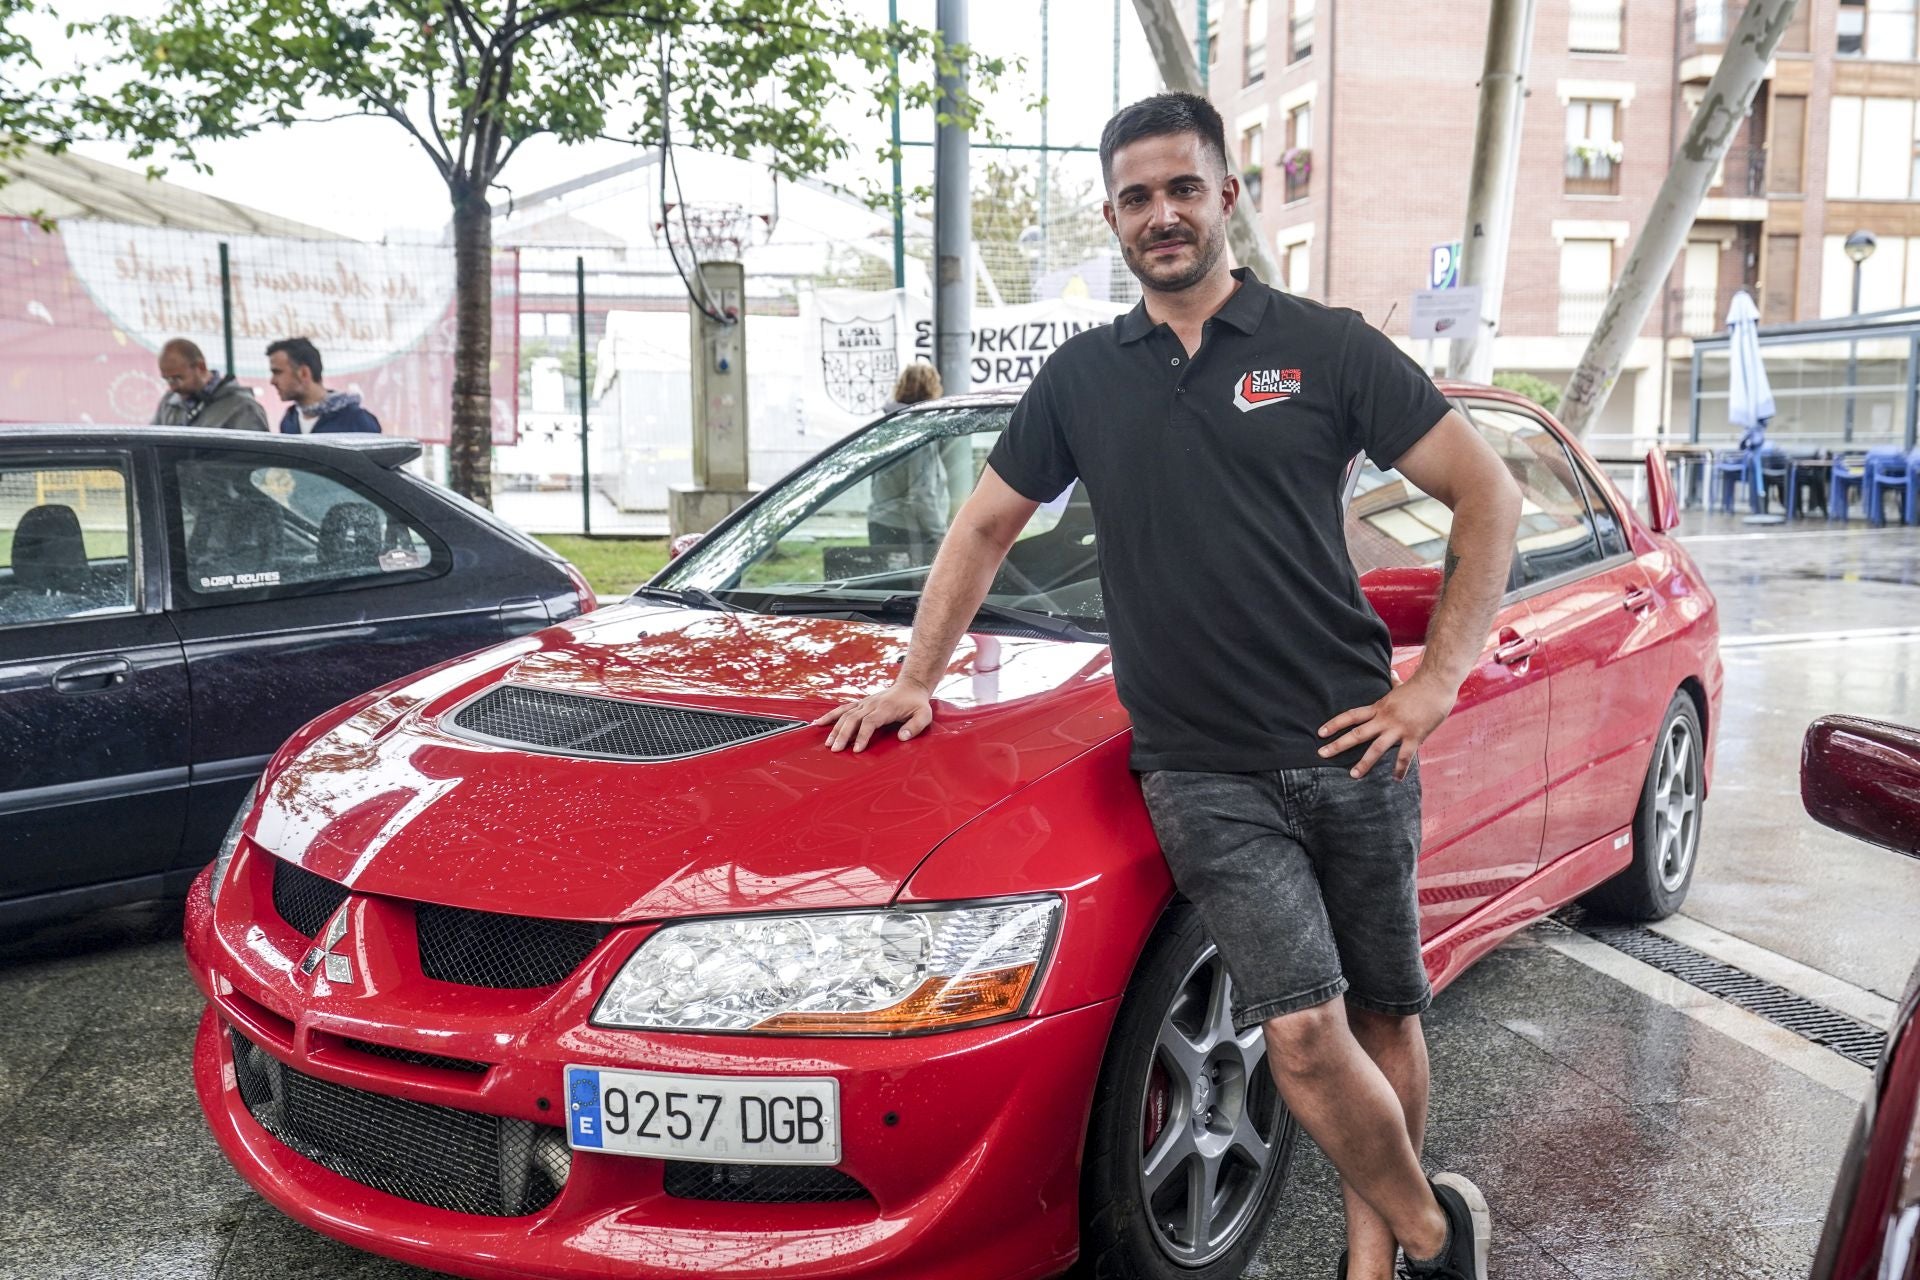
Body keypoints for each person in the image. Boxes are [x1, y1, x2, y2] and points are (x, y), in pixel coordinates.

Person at [814, 92, 1521, 1280]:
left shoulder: (1329, 345)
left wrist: (1434, 682)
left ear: (1226, 195)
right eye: (1137, 197)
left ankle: (1371, 1262)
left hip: (1355, 746)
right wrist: (913, 675)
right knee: (1301, 1029)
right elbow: (983, 527)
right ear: (1113, 216)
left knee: (1385, 1015)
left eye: (1183, 187)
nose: (1163, 214)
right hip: (1202, 768)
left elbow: (1487, 496)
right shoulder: (1084, 378)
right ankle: (1438, 1233)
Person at [866, 363, 950, 561]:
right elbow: (923, 493)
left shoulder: (886, 427)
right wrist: (940, 533)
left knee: (885, 588)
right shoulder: (918, 433)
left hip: (881, 524)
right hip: (910, 529)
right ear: (932, 389)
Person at [266, 337, 382, 434]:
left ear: (304, 373)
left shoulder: (357, 420)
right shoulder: (289, 421)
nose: (272, 381)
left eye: (278, 372)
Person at [149, 338, 269, 431]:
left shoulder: (242, 408)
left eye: (178, 378)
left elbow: (254, 460)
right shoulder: (168, 404)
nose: (172, 387)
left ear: (201, 367)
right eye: (168, 380)